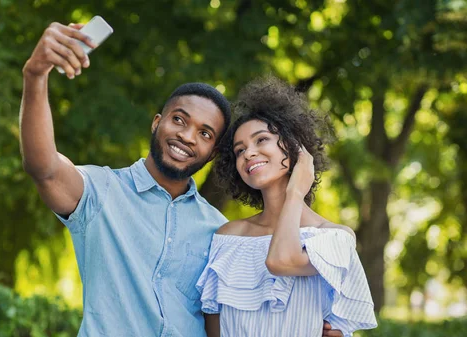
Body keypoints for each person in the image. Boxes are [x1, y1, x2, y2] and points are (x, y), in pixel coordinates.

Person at [19, 20, 345, 337]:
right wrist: (35, 75)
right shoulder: (100, 192)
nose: (187, 136)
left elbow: (238, 318)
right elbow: (44, 167)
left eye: (204, 133)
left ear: (214, 151)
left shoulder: (220, 231)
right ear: (156, 123)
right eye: (179, 120)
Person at [196, 76, 378, 337]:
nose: (248, 153)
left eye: (261, 140)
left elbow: (281, 260)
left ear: (294, 148)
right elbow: (212, 329)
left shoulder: (334, 237)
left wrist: (295, 192)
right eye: (239, 150)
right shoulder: (227, 238)